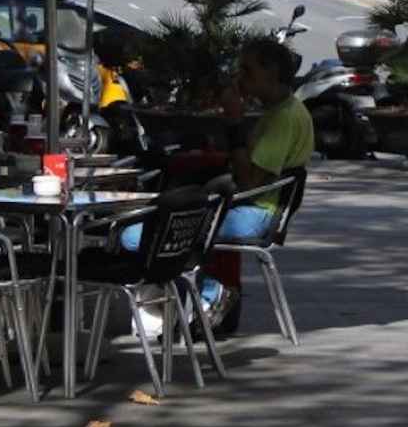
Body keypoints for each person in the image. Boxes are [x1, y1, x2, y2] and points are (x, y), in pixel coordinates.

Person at [120, 36, 313, 320]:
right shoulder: (280, 112)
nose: (240, 79)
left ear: (271, 73)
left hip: (256, 212)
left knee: (137, 236)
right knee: (162, 224)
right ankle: (183, 302)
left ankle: (212, 292)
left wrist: (234, 121)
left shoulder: (283, 119)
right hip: (254, 207)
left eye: (248, 71)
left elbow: (250, 182)